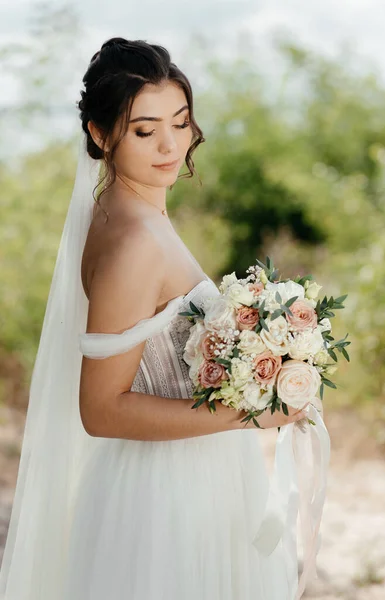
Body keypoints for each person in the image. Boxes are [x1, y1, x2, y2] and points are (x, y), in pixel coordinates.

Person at [0, 38, 329, 600]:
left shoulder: (124, 211)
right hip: (167, 496)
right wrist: (248, 413)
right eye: (144, 131)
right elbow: (101, 409)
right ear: (101, 135)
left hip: (191, 477)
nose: (170, 146)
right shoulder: (133, 240)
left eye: (180, 123)